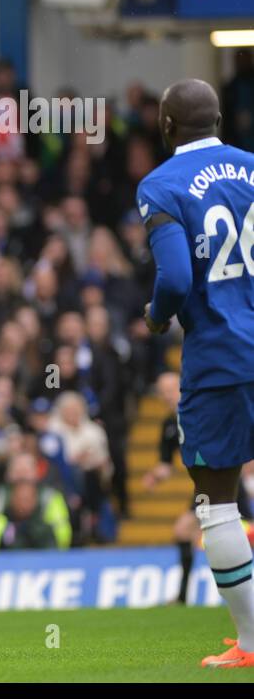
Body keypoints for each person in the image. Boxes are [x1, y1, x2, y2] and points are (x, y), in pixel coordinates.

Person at [138, 77, 254, 667]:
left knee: (217, 502)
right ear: (219, 119)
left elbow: (178, 279)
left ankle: (252, 645)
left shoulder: (161, 186)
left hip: (221, 360)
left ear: (166, 126)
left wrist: (158, 317)